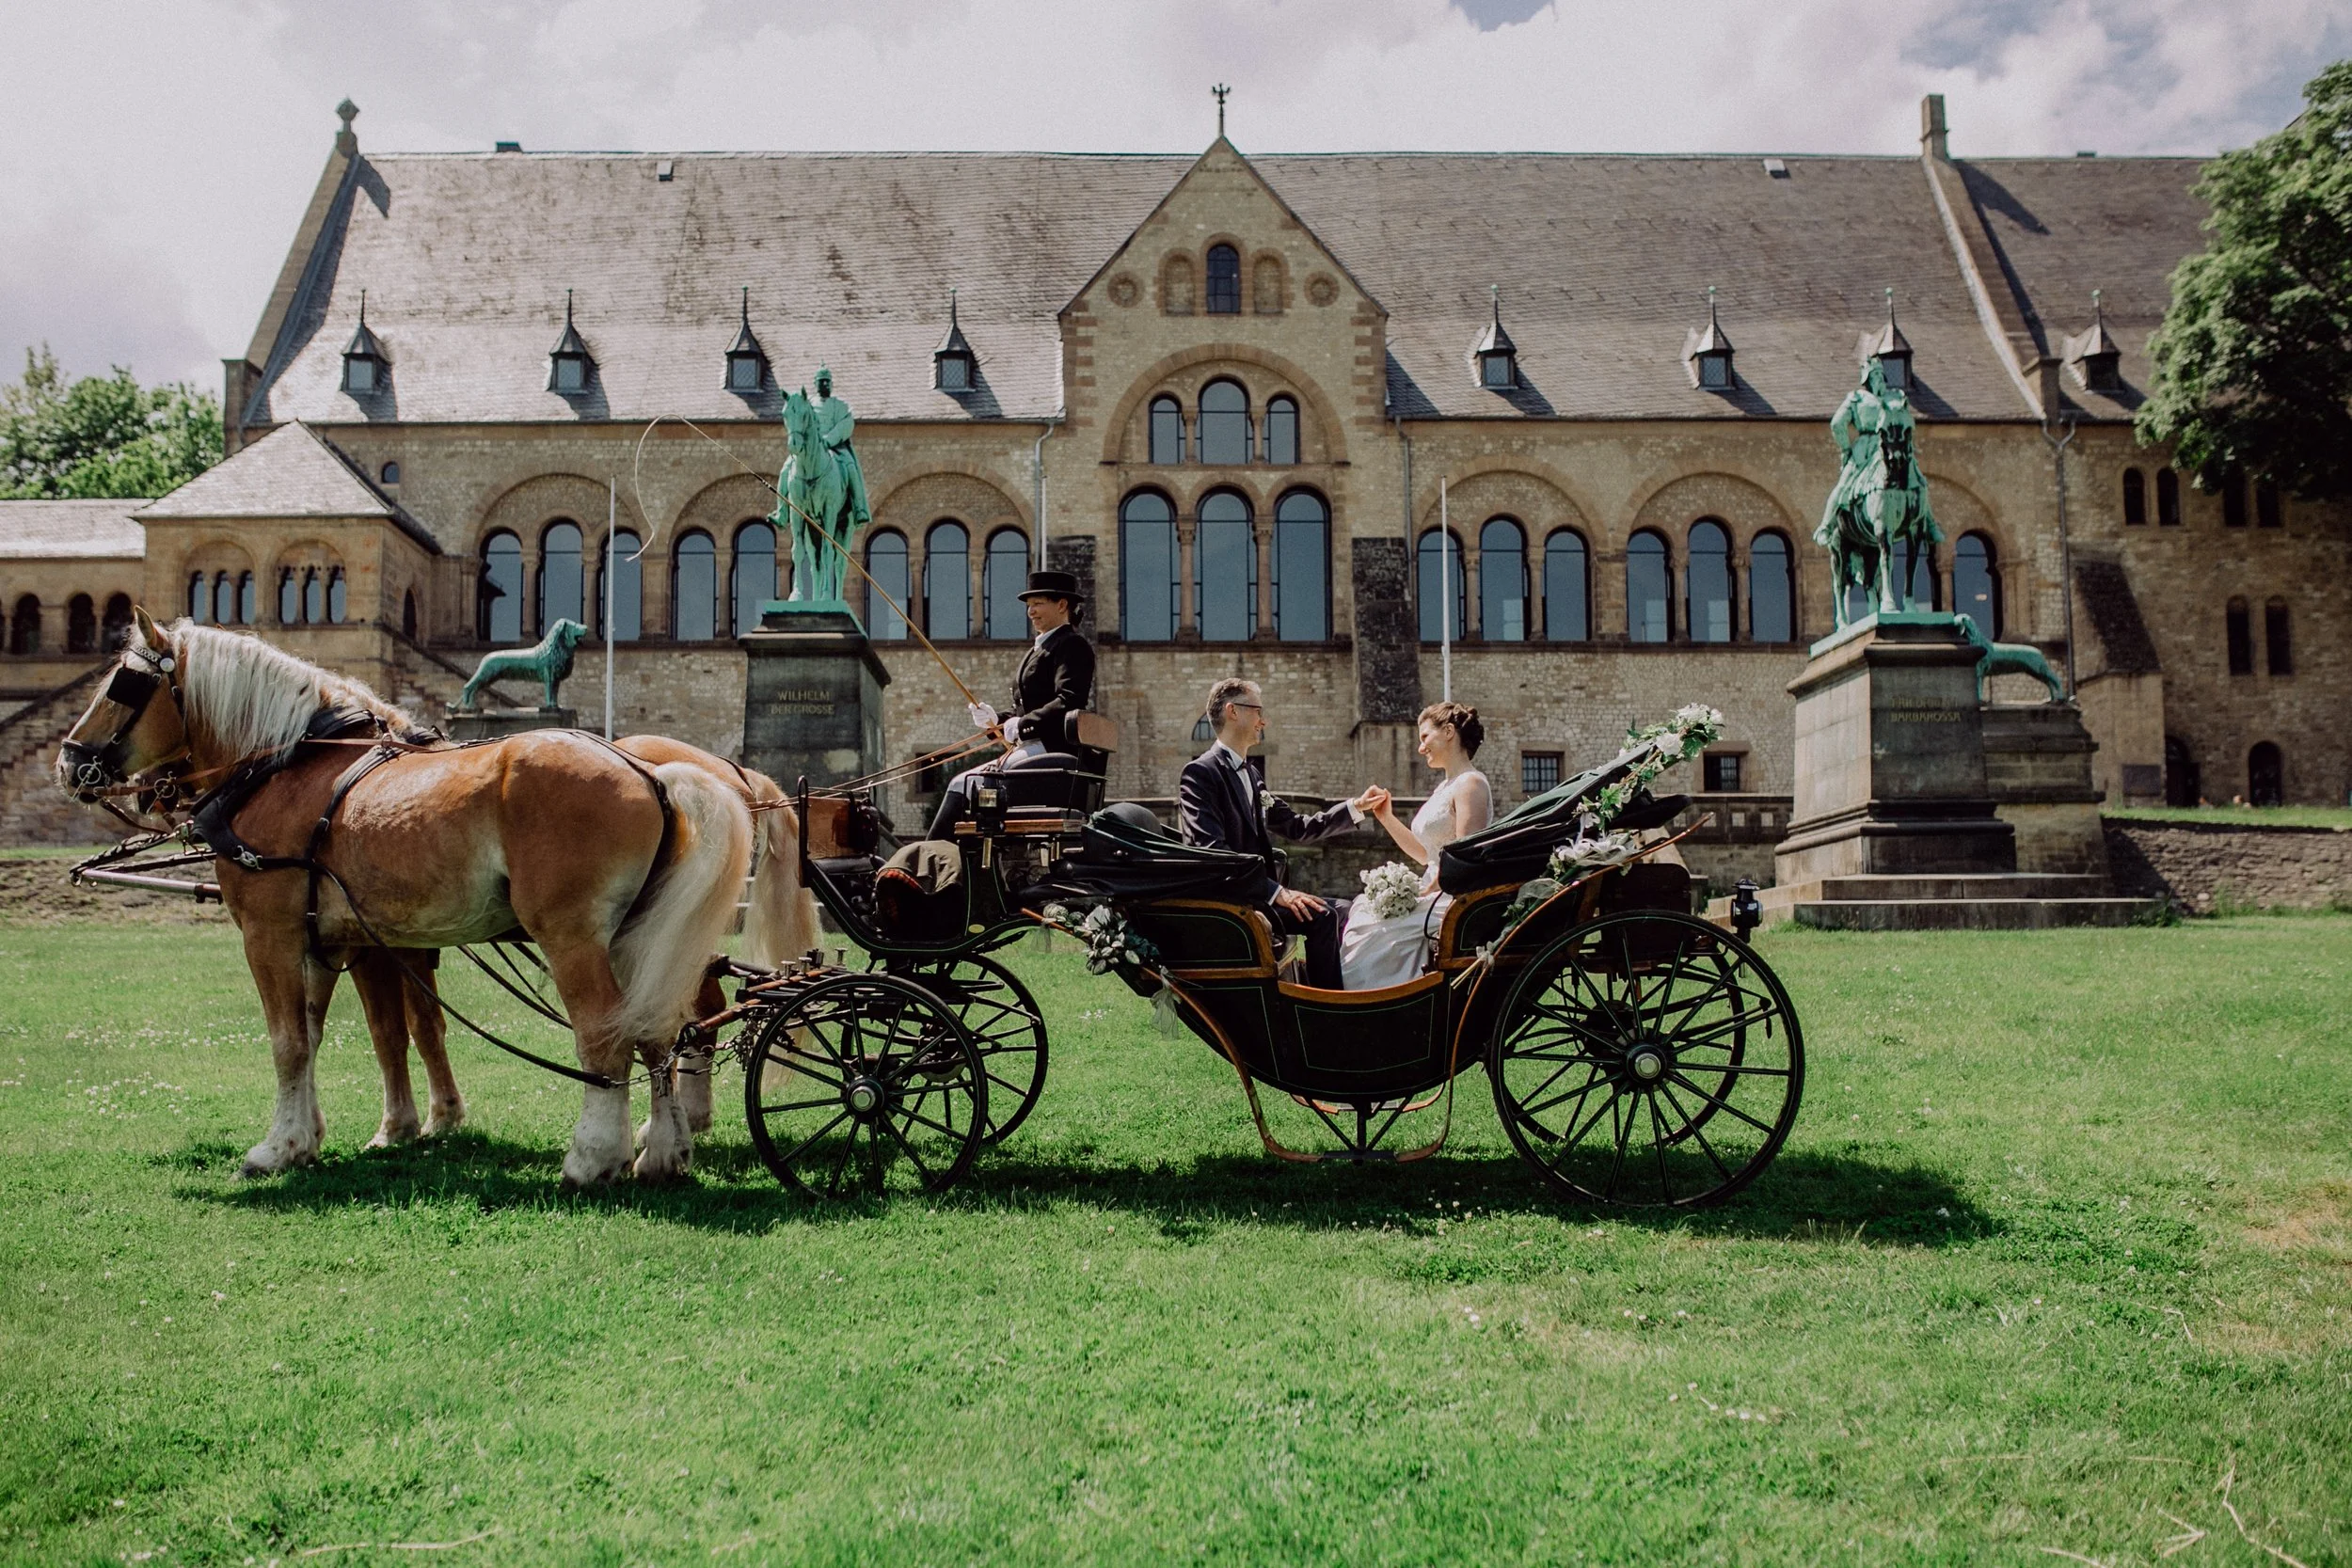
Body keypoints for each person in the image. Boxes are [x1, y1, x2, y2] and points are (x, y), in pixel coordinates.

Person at [1178, 677, 1386, 990]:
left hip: (1260, 895)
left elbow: (1296, 827)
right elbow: (1214, 852)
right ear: (1233, 711)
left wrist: (1356, 807)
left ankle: (1354, 991)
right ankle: (1326, 1010)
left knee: (1350, 909)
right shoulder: (1200, 773)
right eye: (1258, 710)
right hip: (1235, 899)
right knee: (1323, 917)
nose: (1265, 720)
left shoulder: (1251, 773)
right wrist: (1277, 893)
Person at [927, 569, 1095, 837]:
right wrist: (998, 719)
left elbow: (1069, 700)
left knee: (962, 783)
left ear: (1062, 605)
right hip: (1030, 747)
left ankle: (931, 858)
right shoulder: (1037, 650)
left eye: (1038, 603)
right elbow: (1024, 709)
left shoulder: (1072, 645)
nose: (1031, 612)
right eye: (1030, 606)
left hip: (1051, 749)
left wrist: (1024, 725)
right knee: (962, 783)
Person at [1340, 703, 1492, 990]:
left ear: (1448, 732)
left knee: (1372, 932)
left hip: (1451, 897)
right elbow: (1425, 853)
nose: (1421, 748)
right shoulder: (1445, 787)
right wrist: (1386, 818)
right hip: (1435, 888)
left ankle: (1377, 1000)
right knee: (1363, 915)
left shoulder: (1470, 783)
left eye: (1424, 738)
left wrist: (1424, 891)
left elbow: (1465, 856)